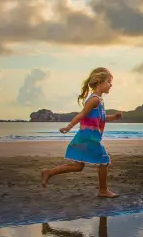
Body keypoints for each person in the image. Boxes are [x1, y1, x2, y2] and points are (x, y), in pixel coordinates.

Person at [41, 67, 123, 197]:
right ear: (99, 83)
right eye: (108, 82)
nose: (110, 85)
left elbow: (99, 118)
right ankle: (103, 190)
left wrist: (113, 117)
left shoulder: (99, 100)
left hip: (86, 136)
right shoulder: (94, 99)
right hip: (89, 138)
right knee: (104, 161)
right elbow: (82, 114)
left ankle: (48, 172)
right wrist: (69, 126)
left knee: (78, 166)